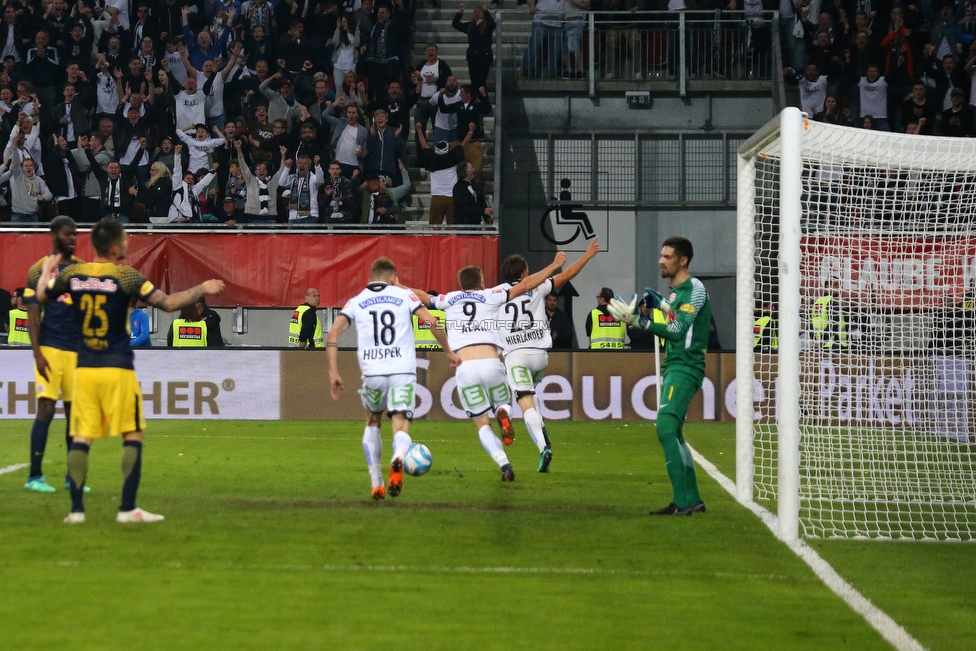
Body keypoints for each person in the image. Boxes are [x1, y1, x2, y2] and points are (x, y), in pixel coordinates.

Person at [36, 218, 225, 524]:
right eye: (124, 239)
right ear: (113, 246)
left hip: (84, 368)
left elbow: (43, 295)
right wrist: (202, 287)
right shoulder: (126, 277)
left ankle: (76, 511)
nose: (127, 243)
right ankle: (127, 508)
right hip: (117, 367)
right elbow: (167, 303)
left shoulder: (73, 273)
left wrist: (46, 270)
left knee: (81, 437)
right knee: (132, 434)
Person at [402, 252, 567, 481]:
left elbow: (420, 296)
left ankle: (505, 464)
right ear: (481, 283)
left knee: (481, 423)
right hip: (491, 363)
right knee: (505, 401)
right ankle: (504, 412)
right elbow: (528, 283)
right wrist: (554, 266)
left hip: (465, 367)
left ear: (461, 285)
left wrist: (396, 285)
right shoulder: (493, 294)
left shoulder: (448, 299)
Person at [327, 257, 460, 500]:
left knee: (373, 421)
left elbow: (332, 333)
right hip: (403, 371)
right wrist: (449, 351)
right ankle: (398, 458)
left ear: (370, 279)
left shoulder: (356, 301)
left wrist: (333, 372)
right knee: (400, 422)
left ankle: (376, 482)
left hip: (373, 372)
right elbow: (431, 321)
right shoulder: (405, 296)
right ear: (392, 279)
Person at [610, 236, 709, 516]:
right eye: (661, 255)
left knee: (664, 427)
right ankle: (693, 500)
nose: (660, 260)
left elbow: (678, 330)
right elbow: (678, 316)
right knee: (674, 431)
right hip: (676, 363)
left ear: (683, 260)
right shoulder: (680, 291)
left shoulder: (695, 288)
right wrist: (664, 304)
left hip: (686, 366)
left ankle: (681, 503)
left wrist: (638, 321)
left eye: (667, 256)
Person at [497, 240, 598, 472]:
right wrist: (587, 256)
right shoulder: (538, 288)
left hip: (515, 356)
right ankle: (539, 426)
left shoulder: (497, 294)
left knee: (525, 401)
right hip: (540, 355)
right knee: (531, 396)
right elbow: (568, 274)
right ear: (524, 273)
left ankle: (543, 447)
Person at [22, 217, 83, 493]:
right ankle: (35, 476)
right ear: (54, 235)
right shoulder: (38, 270)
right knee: (46, 408)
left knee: (74, 414)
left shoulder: (82, 269)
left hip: (76, 351)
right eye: (67, 234)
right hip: (50, 348)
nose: (73, 238)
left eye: (75, 234)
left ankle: (73, 478)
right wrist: (37, 354)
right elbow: (33, 316)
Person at [811, 276, 846, 349]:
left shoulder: (818, 302)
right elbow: (833, 324)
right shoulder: (833, 302)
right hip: (835, 344)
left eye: (840, 285)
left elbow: (812, 324)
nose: (839, 288)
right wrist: (822, 341)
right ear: (827, 286)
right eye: (836, 285)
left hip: (820, 345)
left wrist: (817, 340)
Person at [452, 161, 492, 225]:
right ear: (466, 172)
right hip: (464, 224)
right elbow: (463, 207)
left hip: (476, 223)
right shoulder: (458, 188)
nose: (474, 169)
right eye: (472, 168)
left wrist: (486, 217)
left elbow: (481, 201)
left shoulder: (475, 185)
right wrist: (482, 211)